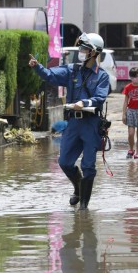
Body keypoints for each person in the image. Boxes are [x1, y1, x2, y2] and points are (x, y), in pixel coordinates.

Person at [29, 32, 110, 210]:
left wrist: (84, 103)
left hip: (91, 124)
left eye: (84, 48)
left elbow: (100, 96)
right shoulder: (72, 70)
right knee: (64, 162)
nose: (81, 51)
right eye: (81, 47)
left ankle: (83, 207)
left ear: (95, 52)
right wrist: (38, 67)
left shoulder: (102, 76)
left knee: (88, 166)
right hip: (73, 123)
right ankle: (78, 188)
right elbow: (50, 75)